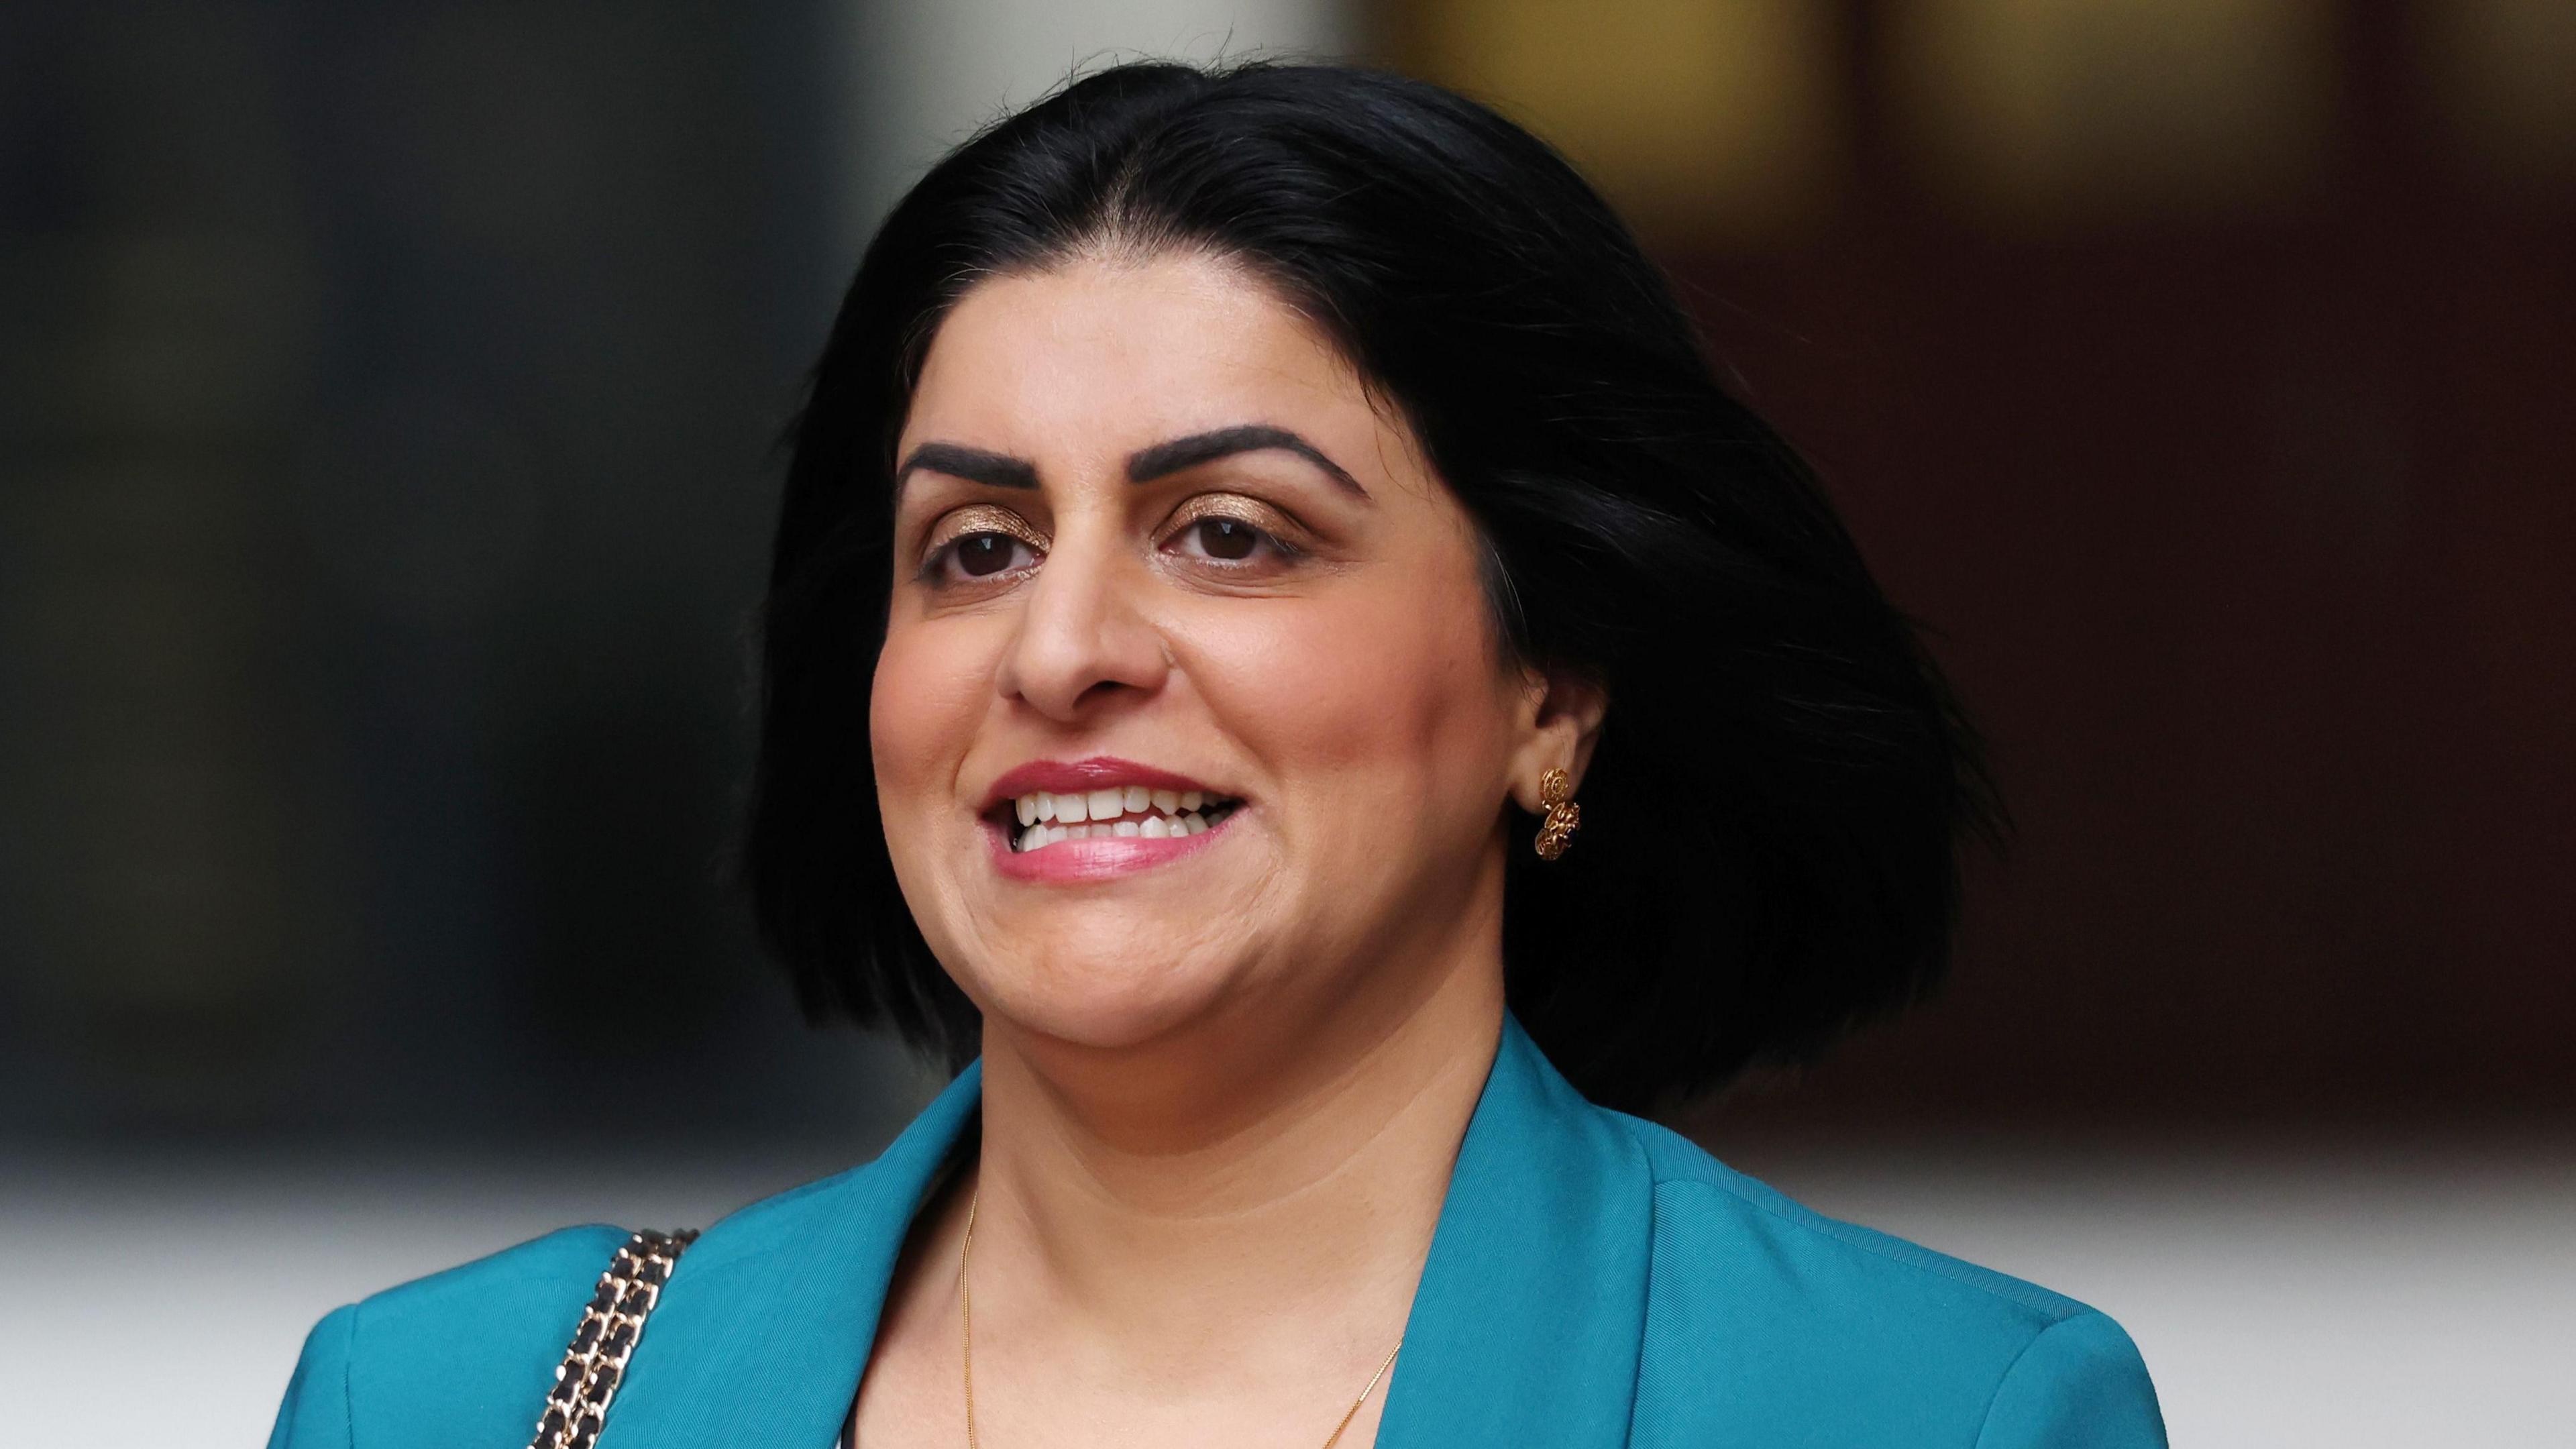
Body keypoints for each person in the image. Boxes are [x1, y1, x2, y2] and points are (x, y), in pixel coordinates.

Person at [266, 58, 2165, 1449]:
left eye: (1230, 534)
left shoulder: (1927, 1414)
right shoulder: (456, 1407)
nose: (1064, 649)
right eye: (977, 551)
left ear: (1551, 693)